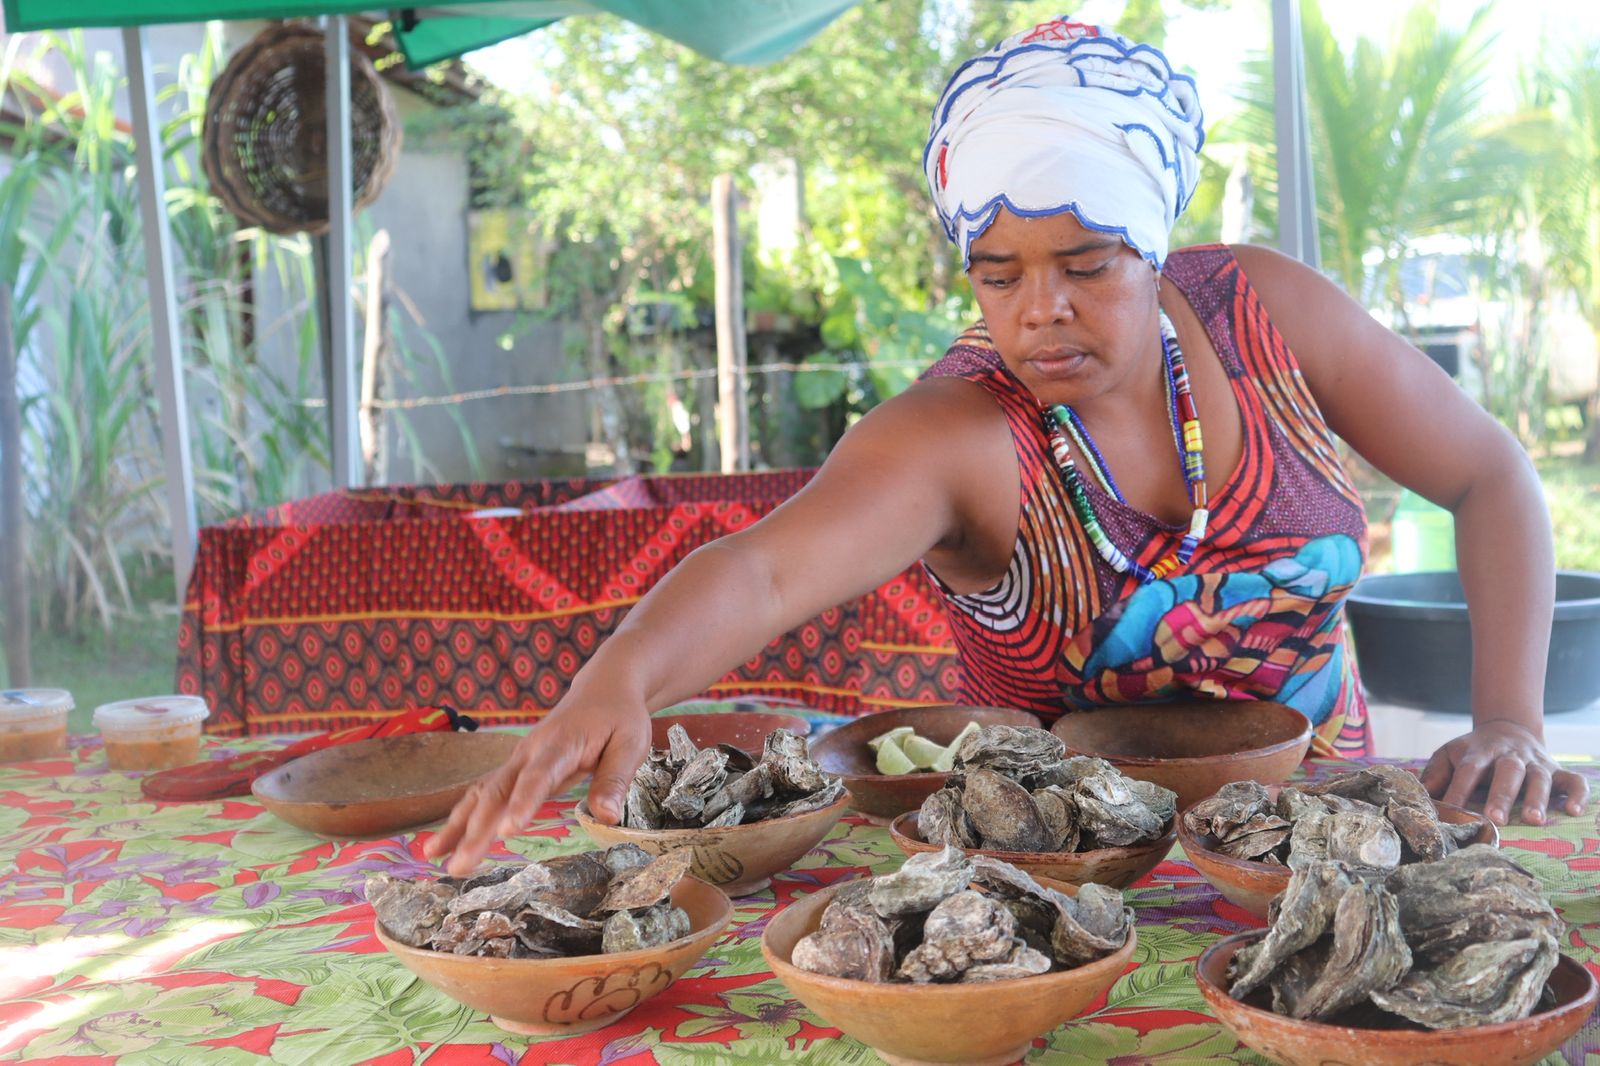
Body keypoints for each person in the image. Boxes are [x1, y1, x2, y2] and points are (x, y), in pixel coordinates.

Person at [428, 17, 1588, 876]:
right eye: (997, 274)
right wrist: (621, 674)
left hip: (1336, 855)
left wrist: (1507, 719)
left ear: (1152, 246)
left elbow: (1486, 475)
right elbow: (764, 571)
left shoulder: (1266, 318)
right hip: (1059, 886)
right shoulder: (962, 432)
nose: (1040, 310)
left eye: (1086, 265)